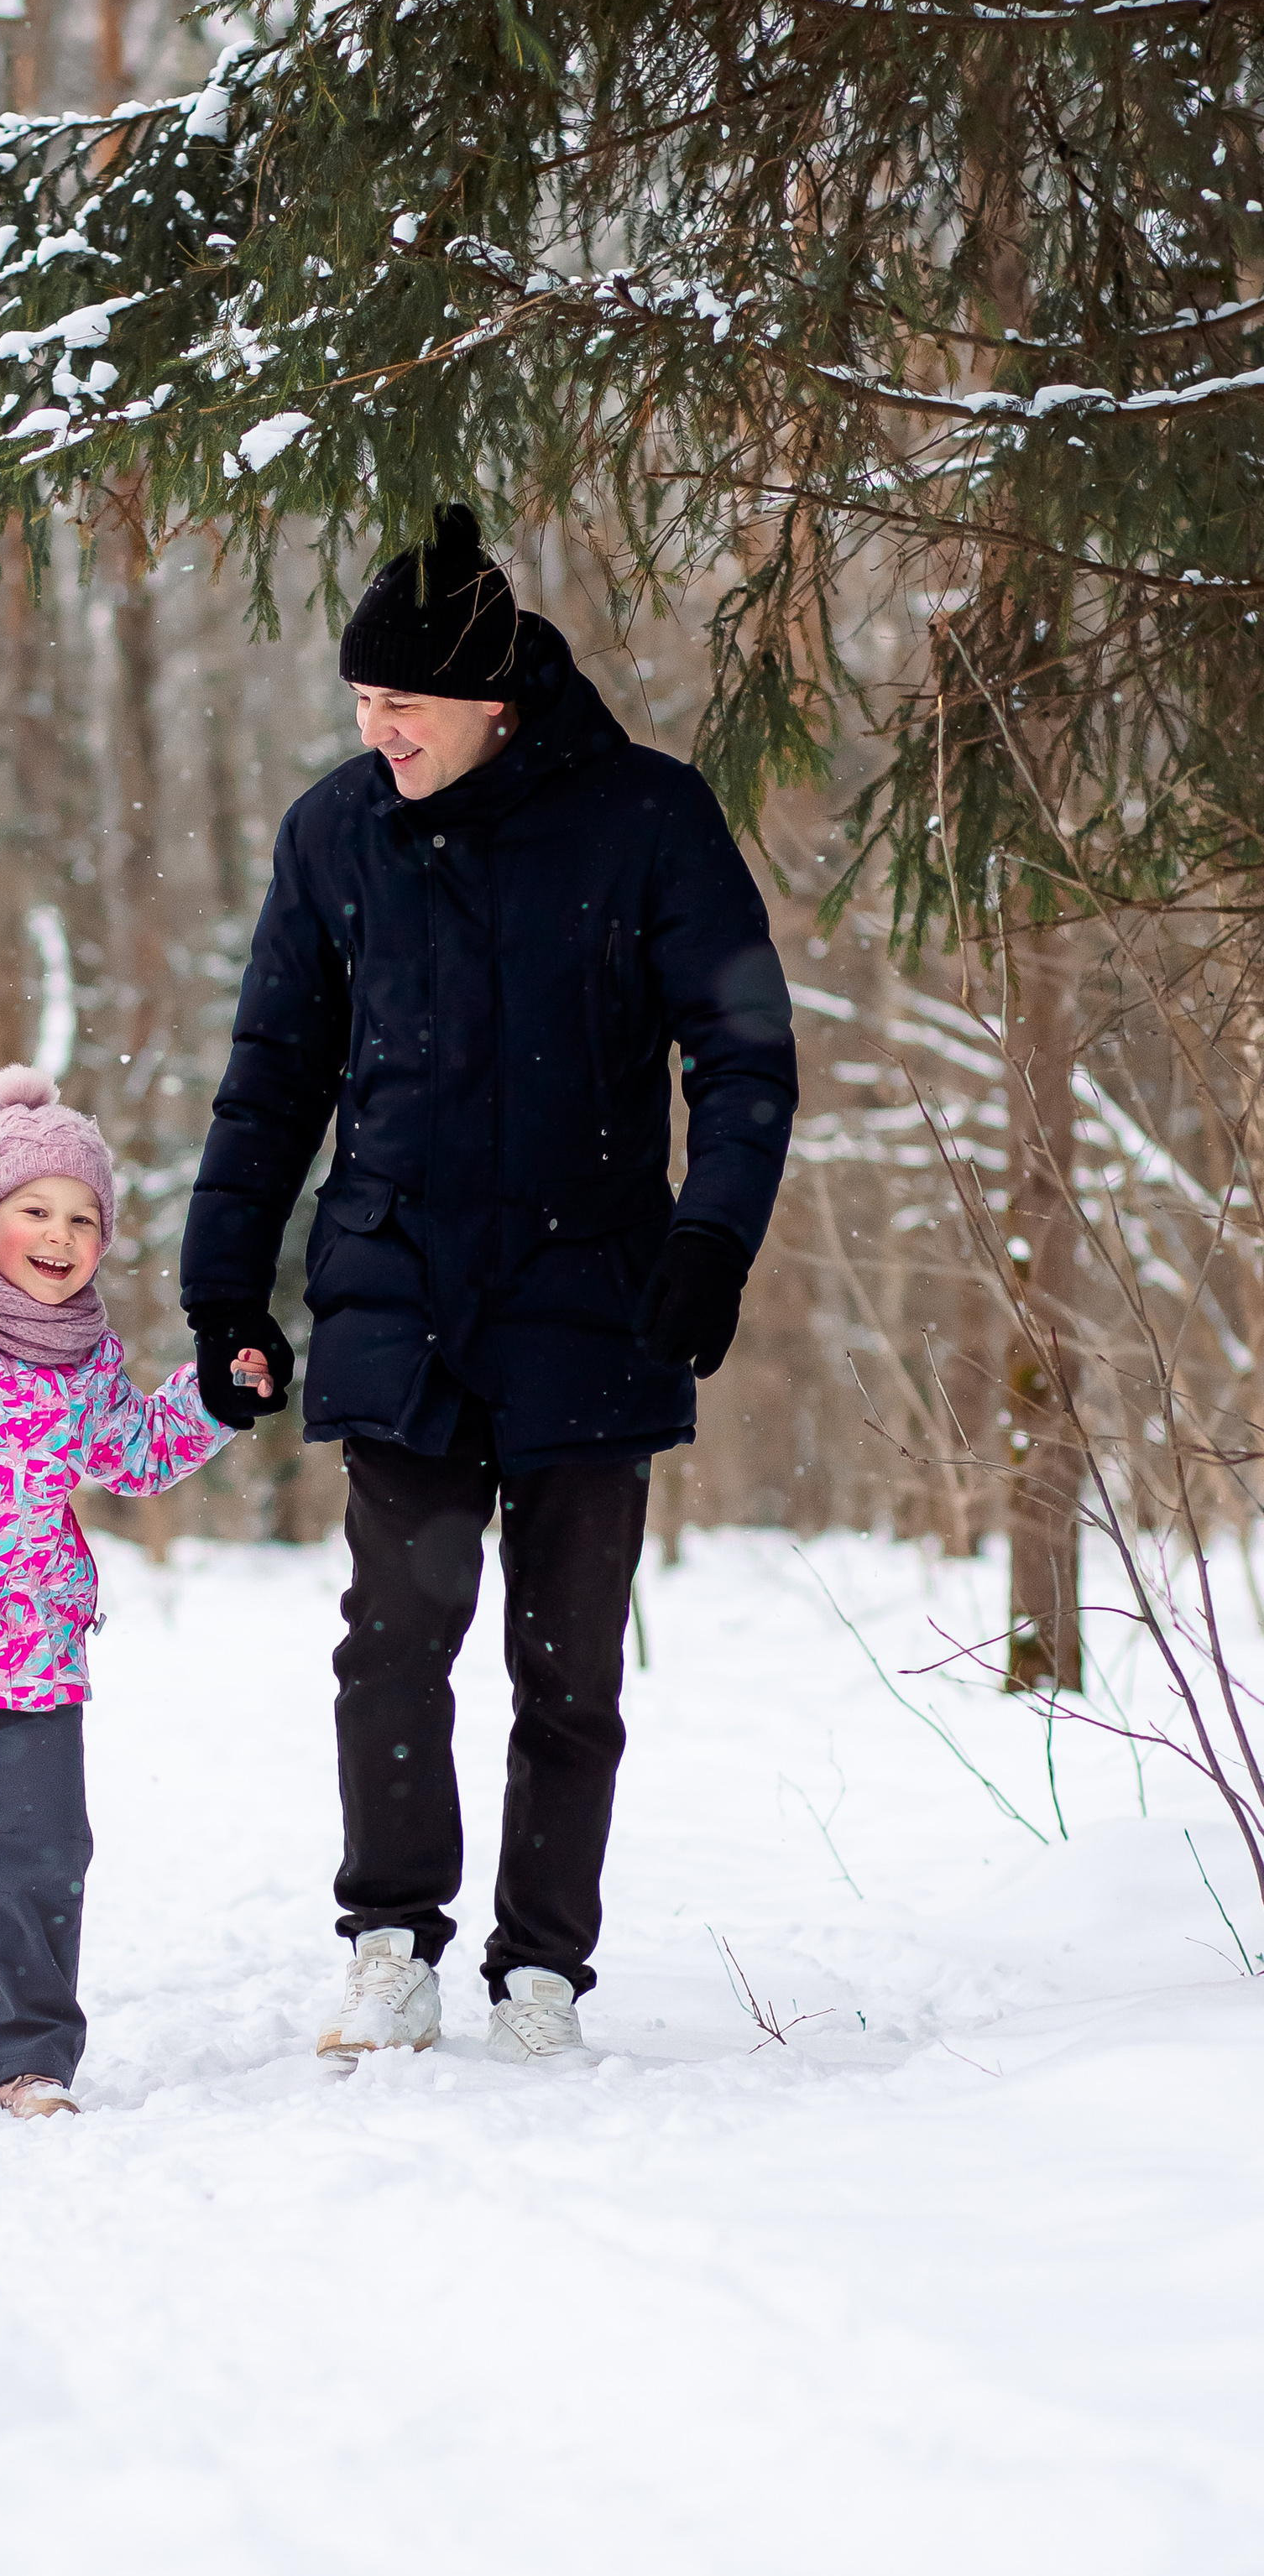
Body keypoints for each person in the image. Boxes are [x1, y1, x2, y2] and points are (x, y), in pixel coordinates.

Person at [180, 508, 797, 2067]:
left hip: (592, 1289)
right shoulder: (336, 834)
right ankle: (389, 1942)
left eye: (402, 704)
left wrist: (710, 1241)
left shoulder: (648, 820)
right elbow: (273, 1079)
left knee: (567, 1661)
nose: (375, 730)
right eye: (362, 705)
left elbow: (743, 1056)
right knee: (395, 1637)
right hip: (396, 1282)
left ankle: (541, 1973)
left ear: (494, 699)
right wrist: (226, 1292)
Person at [0, 1065, 262, 2118]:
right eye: (34, 1211)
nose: (59, 1236)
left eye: (81, 1218)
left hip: (32, 1644)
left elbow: (134, 1452)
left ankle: (31, 2056)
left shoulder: (85, 1354)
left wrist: (208, 1396)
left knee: (42, 1857)